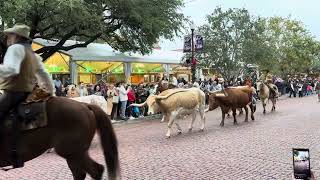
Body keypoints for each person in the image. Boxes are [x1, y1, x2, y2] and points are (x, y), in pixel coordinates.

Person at [0, 24, 54, 123]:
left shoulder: (15, 48)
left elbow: (11, 69)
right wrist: (51, 92)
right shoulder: (33, 55)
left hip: (12, 93)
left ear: (17, 36)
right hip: (28, 94)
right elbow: (44, 75)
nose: (8, 37)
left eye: (10, 35)